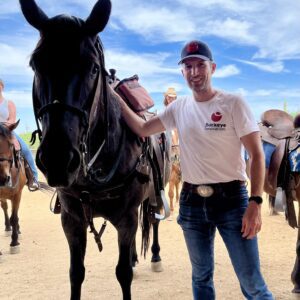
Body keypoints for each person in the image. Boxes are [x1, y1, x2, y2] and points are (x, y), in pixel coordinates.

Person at [114, 40, 273, 299]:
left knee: (253, 284)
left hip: (233, 201)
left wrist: (255, 202)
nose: (195, 72)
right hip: (191, 202)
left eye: (200, 65)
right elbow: (143, 130)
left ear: (213, 68)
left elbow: (256, 155)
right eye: (188, 67)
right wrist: (118, 101)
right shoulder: (178, 108)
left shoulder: (234, 103)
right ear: (182, 72)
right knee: (201, 277)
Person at [0, 79, 39, 191]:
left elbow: (12, 120)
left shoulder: (9, 103)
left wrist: (4, 125)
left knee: (25, 150)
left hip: (7, 131)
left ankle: (34, 178)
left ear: (2, 87)